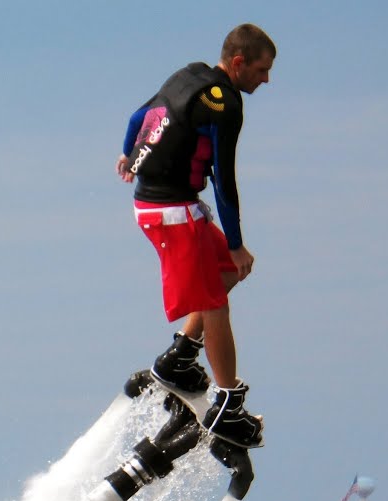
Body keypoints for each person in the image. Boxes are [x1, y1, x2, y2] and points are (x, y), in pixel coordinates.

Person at [116, 23, 275, 449]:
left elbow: (139, 115)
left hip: (170, 206)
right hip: (170, 213)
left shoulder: (188, 74)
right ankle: (228, 407)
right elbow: (224, 179)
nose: (266, 80)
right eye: (261, 70)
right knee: (214, 301)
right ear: (238, 62)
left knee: (228, 270)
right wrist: (238, 240)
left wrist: (128, 150)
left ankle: (181, 357)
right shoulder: (224, 105)